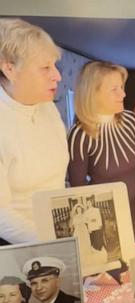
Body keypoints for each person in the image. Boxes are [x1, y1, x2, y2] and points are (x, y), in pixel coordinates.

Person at [0, 18, 68, 245]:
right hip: (17, 247)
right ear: (9, 69)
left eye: (55, 66)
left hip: (59, 235)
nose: (57, 76)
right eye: (45, 68)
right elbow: (1, 214)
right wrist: (55, 243)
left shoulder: (48, 108)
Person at [67, 61, 135, 241]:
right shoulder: (80, 134)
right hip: (106, 218)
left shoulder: (130, 120)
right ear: (93, 93)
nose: (123, 94)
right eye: (114, 89)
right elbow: (77, 189)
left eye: (122, 87)